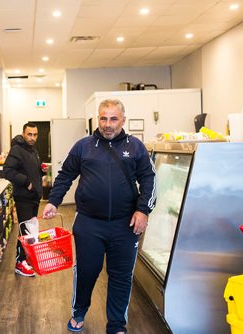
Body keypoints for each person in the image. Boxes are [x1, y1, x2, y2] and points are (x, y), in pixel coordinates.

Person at [42, 99, 157, 333]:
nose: (108, 124)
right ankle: (79, 312)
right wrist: (53, 201)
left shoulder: (136, 147)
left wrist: (143, 210)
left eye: (113, 118)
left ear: (123, 120)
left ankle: (116, 324)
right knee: (86, 271)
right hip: (88, 223)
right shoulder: (83, 146)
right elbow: (65, 175)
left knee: (121, 276)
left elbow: (149, 179)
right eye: (103, 118)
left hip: (125, 225)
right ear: (98, 119)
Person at [3, 122, 47, 277]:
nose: (32, 137)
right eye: (29, 134)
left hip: (33, 197)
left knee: (30, 230)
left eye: (35, 135)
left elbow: (28, 169)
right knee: (25, 231)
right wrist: (26, 182)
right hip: (23, 197)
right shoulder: (17, 149)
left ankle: (26, 260)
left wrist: (40, 171)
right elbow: (7, 170)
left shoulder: (32, 150)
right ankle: (19, 263)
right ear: (23, 133)